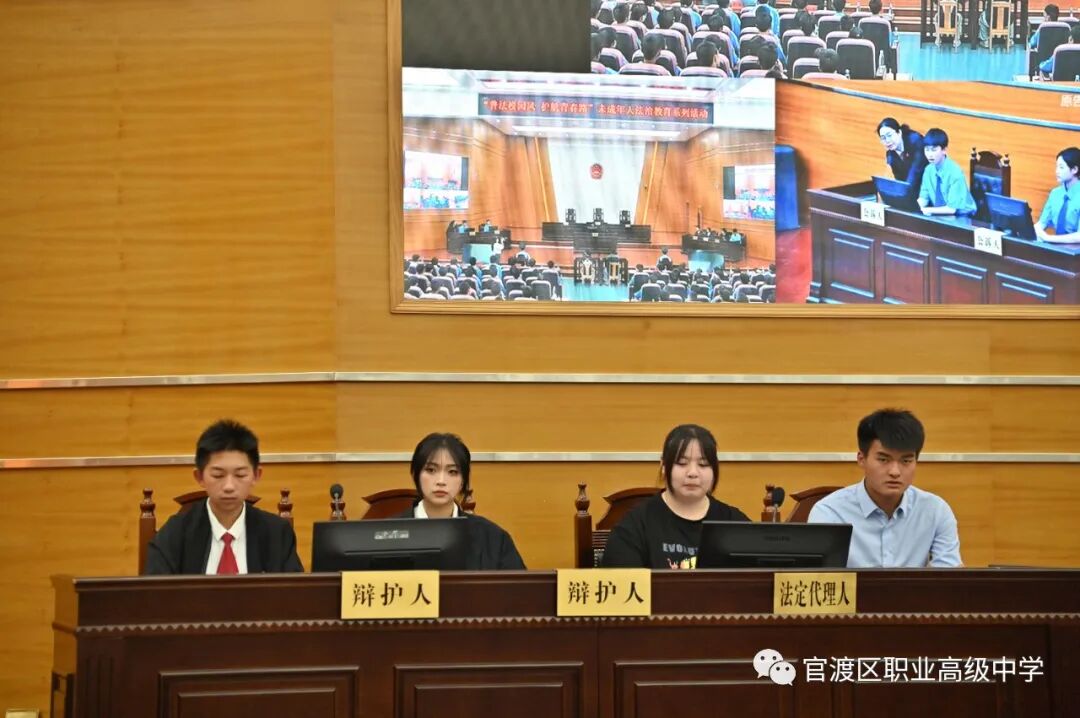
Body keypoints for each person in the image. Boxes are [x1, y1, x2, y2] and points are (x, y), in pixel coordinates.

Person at [144, 419, 303, 575]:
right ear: (199, 477)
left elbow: (294, 590)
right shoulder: (175, 534)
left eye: (240, 475)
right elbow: (156, 590)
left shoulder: (277, 534)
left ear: (256, 475)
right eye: (218, 475)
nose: (229, 486)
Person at [808, 409, 962, 568]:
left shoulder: (935, 510)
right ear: (861, 459)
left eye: (906, 461)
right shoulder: (830, 513)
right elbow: (819, 579)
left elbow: (949, 577)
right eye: (883, 459)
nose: (895, 472)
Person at [601, 425, 751, 569]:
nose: (693, 473)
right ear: (664, 466)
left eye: (703, 464)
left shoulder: (735, 523)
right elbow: (621, 582)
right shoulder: (635, 525)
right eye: (682, 463)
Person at [397, 433, 526, 569]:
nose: (441, 481)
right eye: (431, 470)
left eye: (452, 472)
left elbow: (518, 582)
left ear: (463, 480)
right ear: (416, 474)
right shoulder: (389, 534)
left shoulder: (493, 538)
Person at [917, 128, 976, 217]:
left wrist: (927, 210)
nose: (930, 154)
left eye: (934, 150)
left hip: (964, 216)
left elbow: (952, 209)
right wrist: (912, 206)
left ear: (944, 150)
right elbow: (924, 199)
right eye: (927, 150)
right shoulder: (928, 170)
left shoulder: (955, 172)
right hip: (940, 214)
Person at [1035, 147, 1080, 243]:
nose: (1057, 171)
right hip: (1056, 247)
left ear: (1074, 169)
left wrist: (1048, 238)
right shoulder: (1055, 193)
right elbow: (1041, 223)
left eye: (1061, 167)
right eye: (1057, 167)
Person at [877, 117, 927, 194]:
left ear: (899, 132)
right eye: (883, 138)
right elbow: (900, 180)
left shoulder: (916, 141)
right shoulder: (891, 156)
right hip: (916, 188)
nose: (887, 141)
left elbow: (915, 172)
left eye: (889, 135)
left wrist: (904, 192)